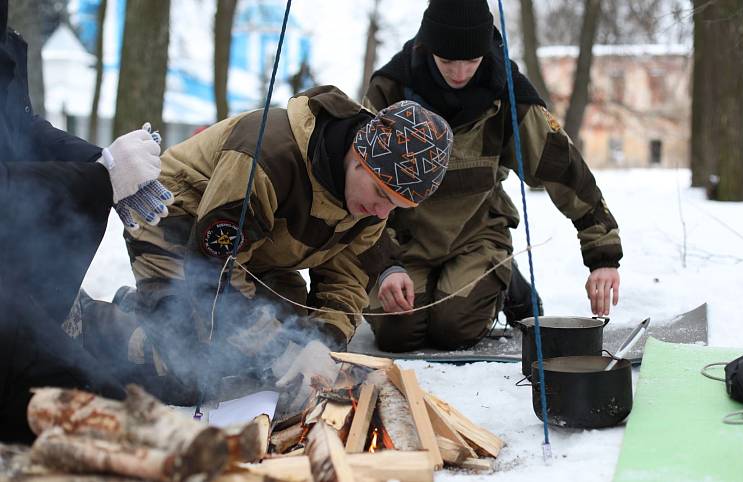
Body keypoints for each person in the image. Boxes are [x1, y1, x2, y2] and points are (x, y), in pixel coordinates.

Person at [80, 85, 452, 405]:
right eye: (380, 194)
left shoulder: (374, 198)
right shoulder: (266, 157)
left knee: (272, 364)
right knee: (188, 371)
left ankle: (143, 306)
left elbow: (346, 280)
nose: (382, 211)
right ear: (357, 156)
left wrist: (321, 344)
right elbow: (213, 275)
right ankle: (87, 319)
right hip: (176, 226)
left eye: (396, 206)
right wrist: (283, 350)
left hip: (254, 255)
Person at [362, 0, 623, 352]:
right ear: (427, 46)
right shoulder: (389, 89)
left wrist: (602, 255)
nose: (460, 73)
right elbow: (359, 185)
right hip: (405, 240)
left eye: (471, 60)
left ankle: (504, 281)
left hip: (476, 234)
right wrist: (383, 265)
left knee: (453, 328)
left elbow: (563, 168)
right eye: (448, 61)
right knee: (398, 333)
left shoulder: (509, 93)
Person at [0, 0, 173, 443]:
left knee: (164, 368)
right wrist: (101, 179)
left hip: (25, 289)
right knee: (103, 416)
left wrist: (98, 159)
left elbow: (21, 128)